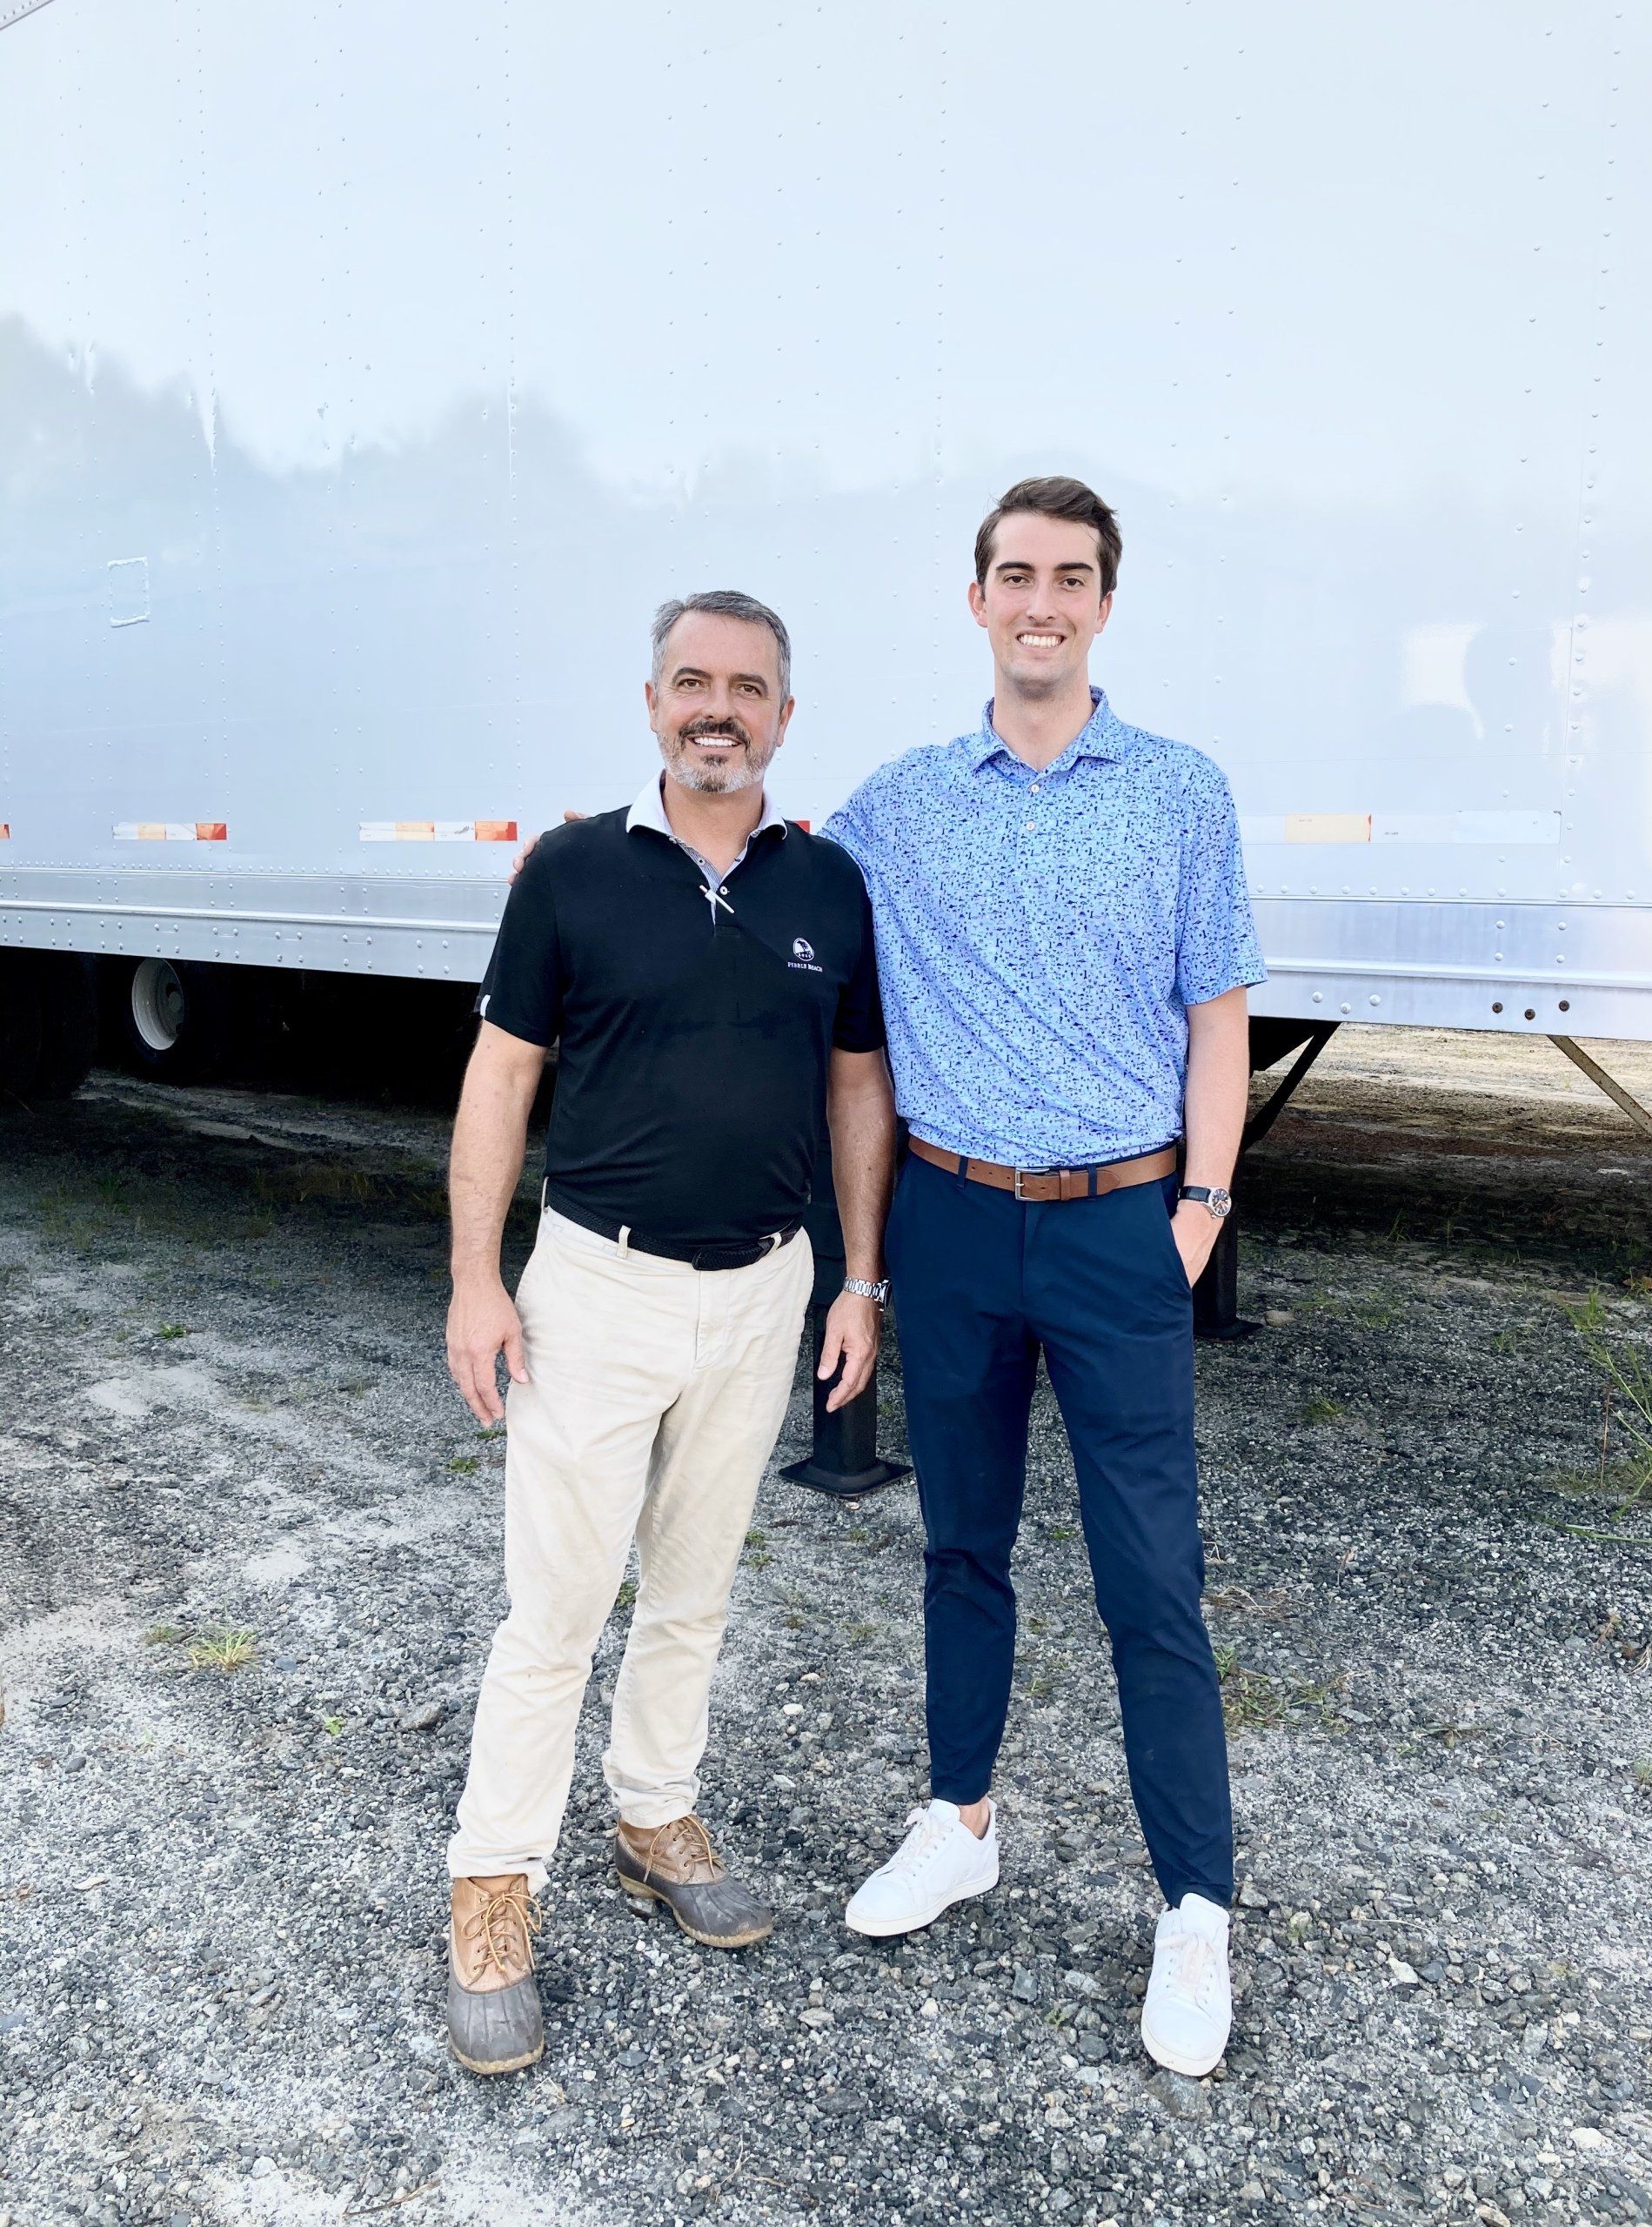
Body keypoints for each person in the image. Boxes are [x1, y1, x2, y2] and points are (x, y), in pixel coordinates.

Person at [826, 478, 1265, 2080]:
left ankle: (1195, 1908)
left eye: (1071, 579)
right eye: (1016, 575)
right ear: (976, 600)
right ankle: (961, 1820)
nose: (1042, 602)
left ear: (1103, 603)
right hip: (948, 1225)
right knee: (962, 1543)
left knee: (1151, 1575)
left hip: (1116, 1228)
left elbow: (1219, 1013)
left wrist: (1201, 1210)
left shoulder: (1177, 790)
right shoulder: (904, 801)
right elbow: (783, 885)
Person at [442, 589, 895, 2077]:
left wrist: (858, 1277)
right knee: (556, 1613)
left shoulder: (828, 890)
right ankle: (493, 1889)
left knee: (692, 1593)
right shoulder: (570, 873)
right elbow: (502, 1080)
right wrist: (475, 1278)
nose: (719, 709)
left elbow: (853, 1092)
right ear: (650, 704)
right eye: (691, 683)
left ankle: (652, 1818)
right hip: (598, 1286)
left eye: (748, 687)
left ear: (783, 713)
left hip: (764, 1288)